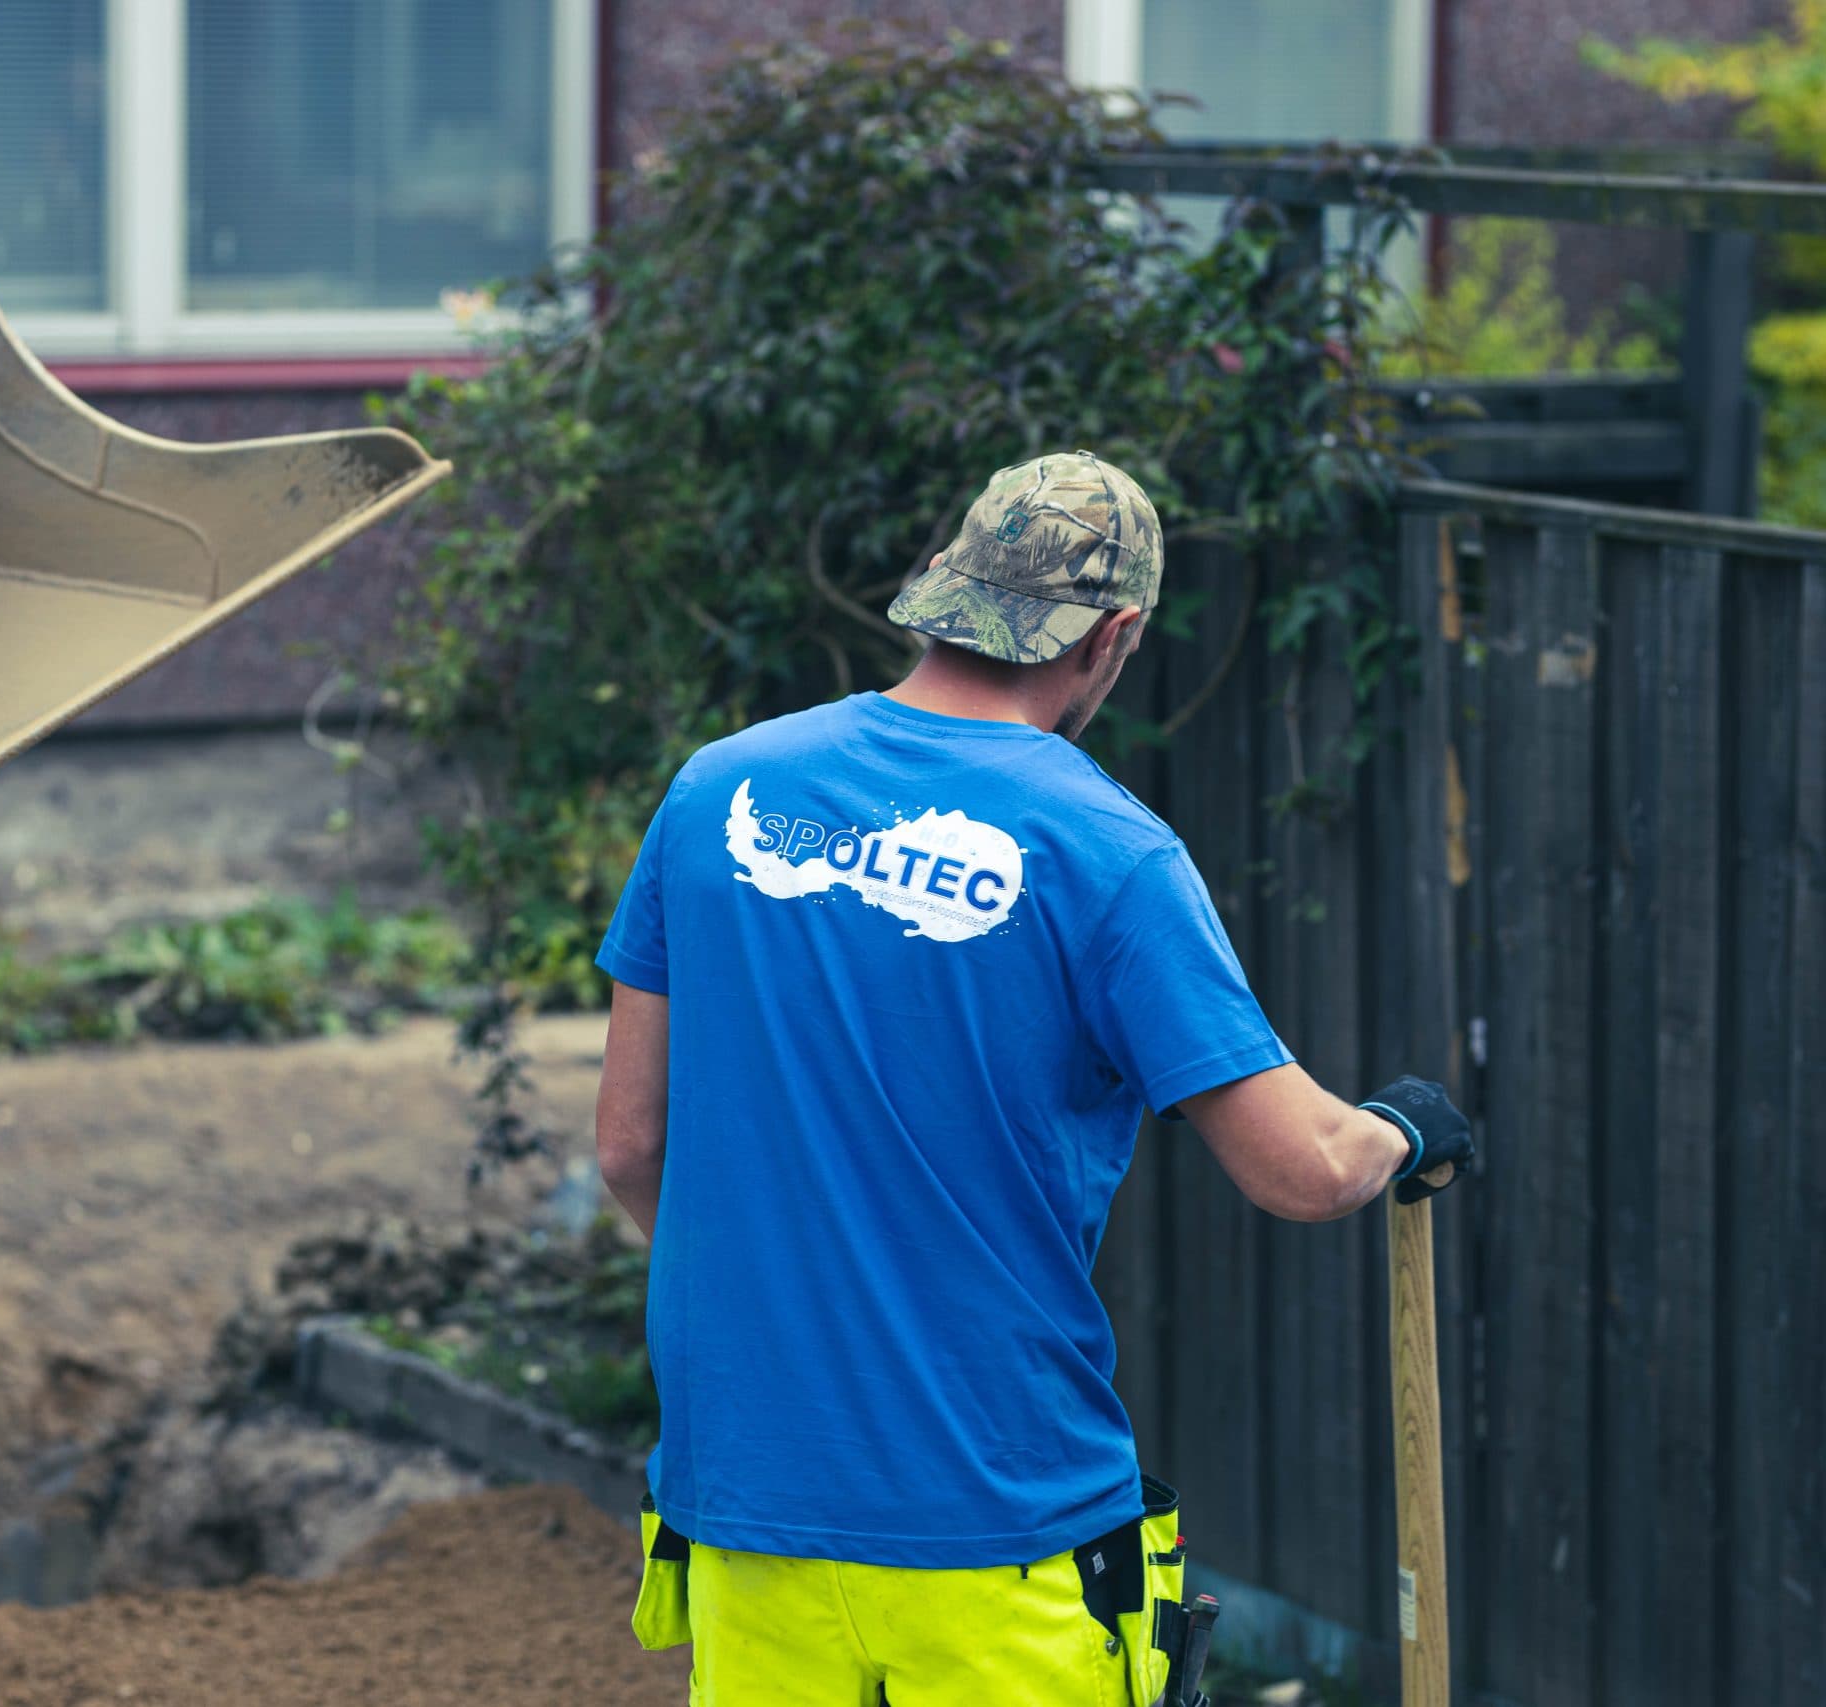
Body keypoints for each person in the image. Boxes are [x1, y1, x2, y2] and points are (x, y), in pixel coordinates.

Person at [594, 450, 1475, 1704]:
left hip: (747, 1514)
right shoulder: (1103, 850)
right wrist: (1402, 1127)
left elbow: (632, 1145)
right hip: (996, 1524)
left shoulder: (716, 791)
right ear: (1113, 634)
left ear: (949, 585)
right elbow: (1303, 1169)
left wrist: (792, 1306)